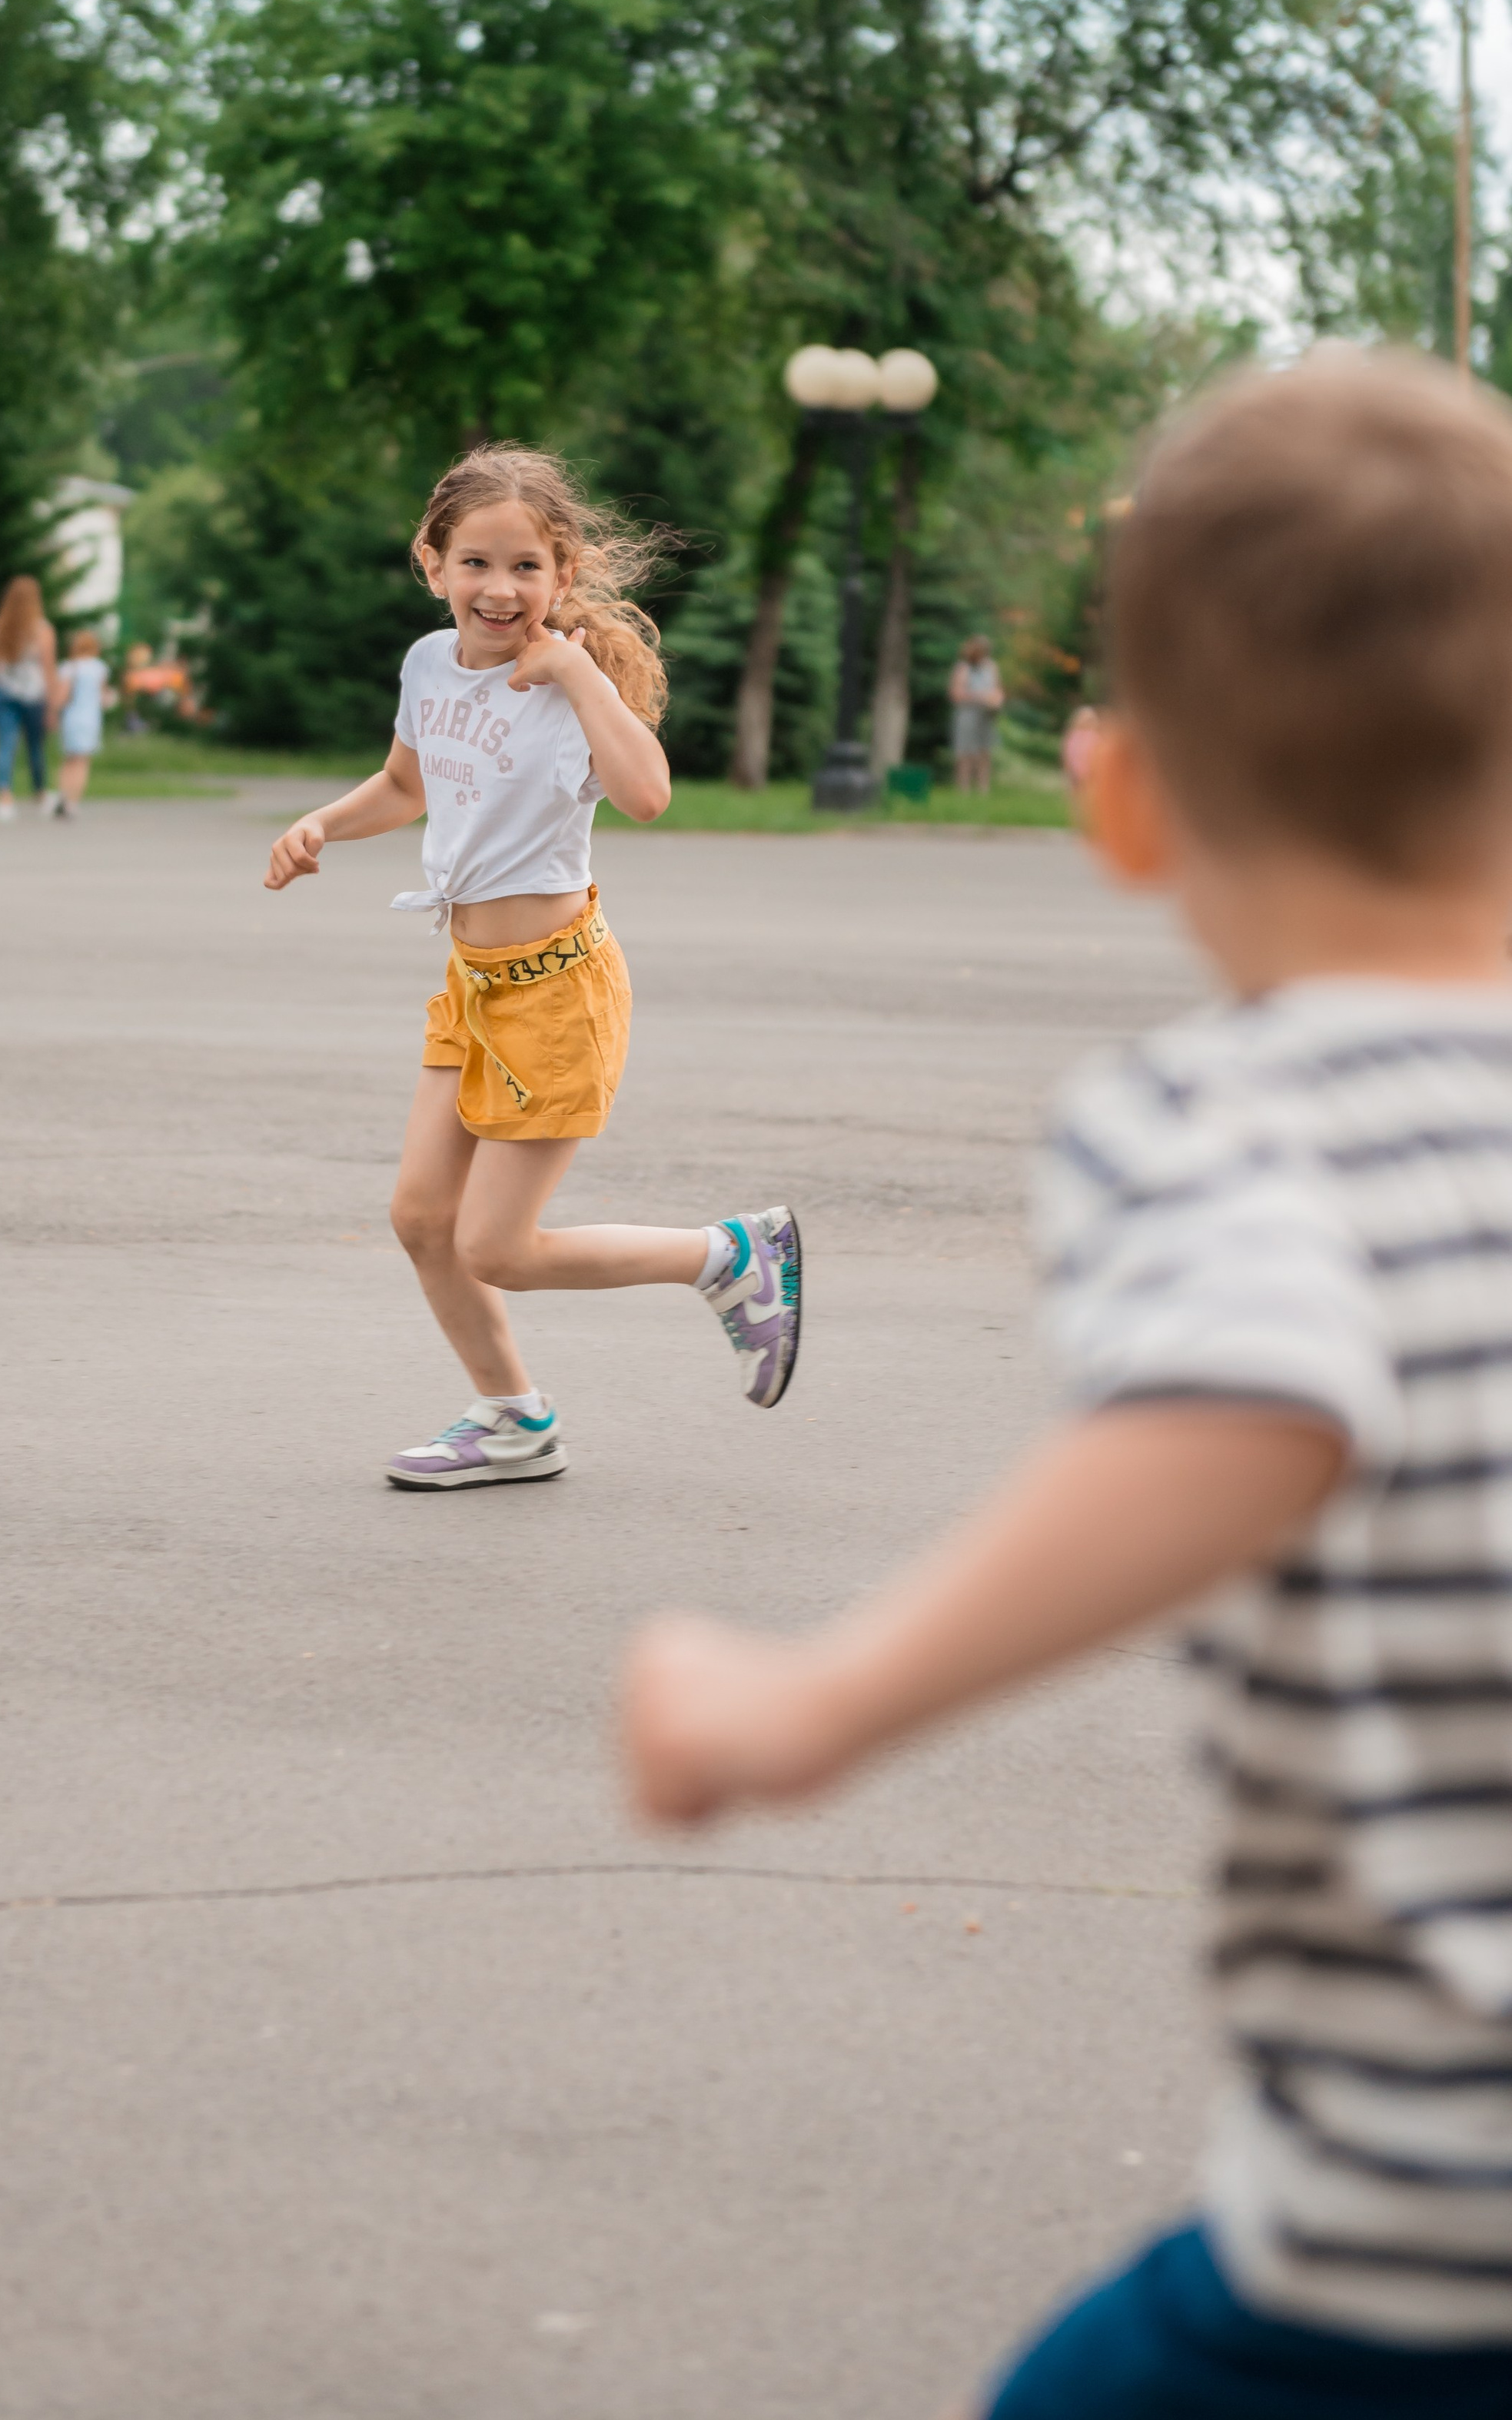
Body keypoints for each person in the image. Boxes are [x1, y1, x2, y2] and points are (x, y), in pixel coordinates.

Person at [621, 351, 1512, 2420]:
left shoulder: (1230, 1120)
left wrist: (818, 1694)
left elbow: (1248, 1398)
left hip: (1421, 2240)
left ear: (1116, 800)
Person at [264, 441, 803, 1489]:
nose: (498, 588)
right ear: (433, 562)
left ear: (561, 574)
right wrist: (320, 824)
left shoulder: (567, 684)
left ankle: (730, 1255)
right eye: (474, 561)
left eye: (523, 566)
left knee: (497, 1244)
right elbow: (404, 784)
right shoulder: (428, 663)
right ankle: (513, 1417)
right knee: (423, 1219)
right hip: (472, 984)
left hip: (558, 990)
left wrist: (577, 670)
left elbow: (647, 794)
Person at [0, 574, 58, 823]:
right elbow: (48, 670)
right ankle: (40, 793)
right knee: (36, 748)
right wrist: (53, 705)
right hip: (34, 694)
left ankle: (4, 796)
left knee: (6, 745)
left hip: (5, 691)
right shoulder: (43, 630)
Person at [52, 628, 109, 819]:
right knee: (82, 762)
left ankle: (62, 795)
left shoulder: (69, 667)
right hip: (91, 719)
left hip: (71, 717)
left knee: (68, 760)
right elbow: (103, 699)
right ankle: (73, 801)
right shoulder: (99, 668)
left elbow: (61, 697)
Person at [949, 633, 1004, 791]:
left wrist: (997, 699)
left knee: (984, 753)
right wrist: (981, 697)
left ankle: (983, 790)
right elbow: (956, 694)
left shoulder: (991, 667)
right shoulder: (963, 668)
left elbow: (997, 689)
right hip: (968, 715)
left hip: (986, 715)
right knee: (966, 754)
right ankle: (963, 790)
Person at [1061, 700, 1101, 794]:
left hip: (1090, 771)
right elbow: (1067, 754)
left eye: (1090, 720)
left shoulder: (1094, 736)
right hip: (1076, 771)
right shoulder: (1073, 736)